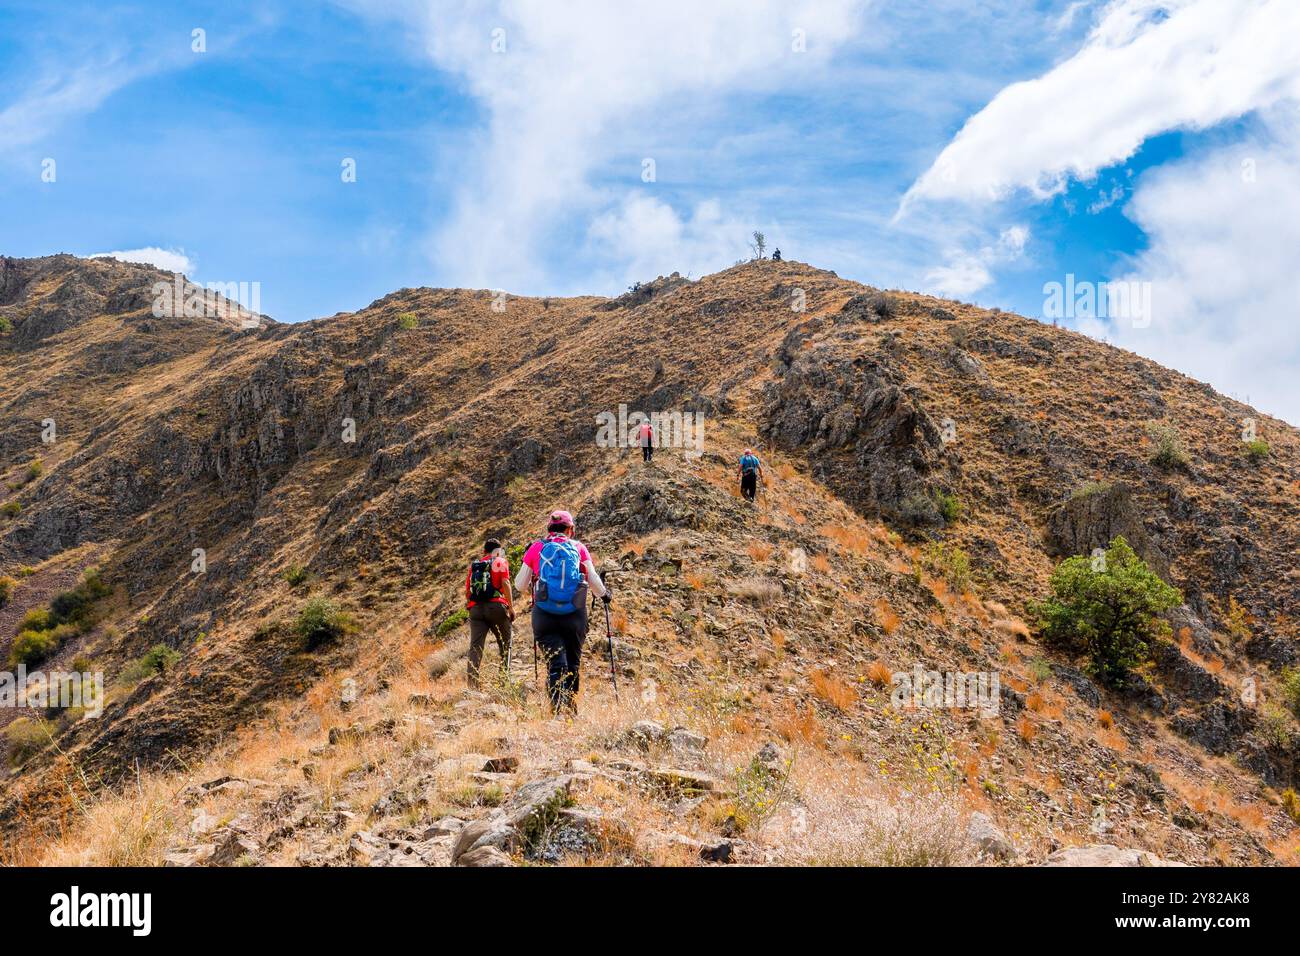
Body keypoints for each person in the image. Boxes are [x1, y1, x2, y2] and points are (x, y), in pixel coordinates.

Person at [514, 510, 609, 714]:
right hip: (574, 614)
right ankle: (571, 710)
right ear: (570, 529)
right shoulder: (579, 548)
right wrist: (605, 595)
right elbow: (593, 580)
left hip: (544, 614)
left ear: (549, 529)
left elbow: (520, 585)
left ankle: (557, 711)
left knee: (556, 664)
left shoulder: (537, 548)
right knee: (573, 664)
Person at [464, 537, 514, 689]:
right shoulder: (500, 561)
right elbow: (505, 583)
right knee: (506, 644)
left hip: (476, 610)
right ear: (497, 551)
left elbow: (467, 591)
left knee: (475, 647)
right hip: (496, 607)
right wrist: (510, 607)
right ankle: (503, 682)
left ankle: (472, 686)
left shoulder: (475, 566)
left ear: (484, 551)